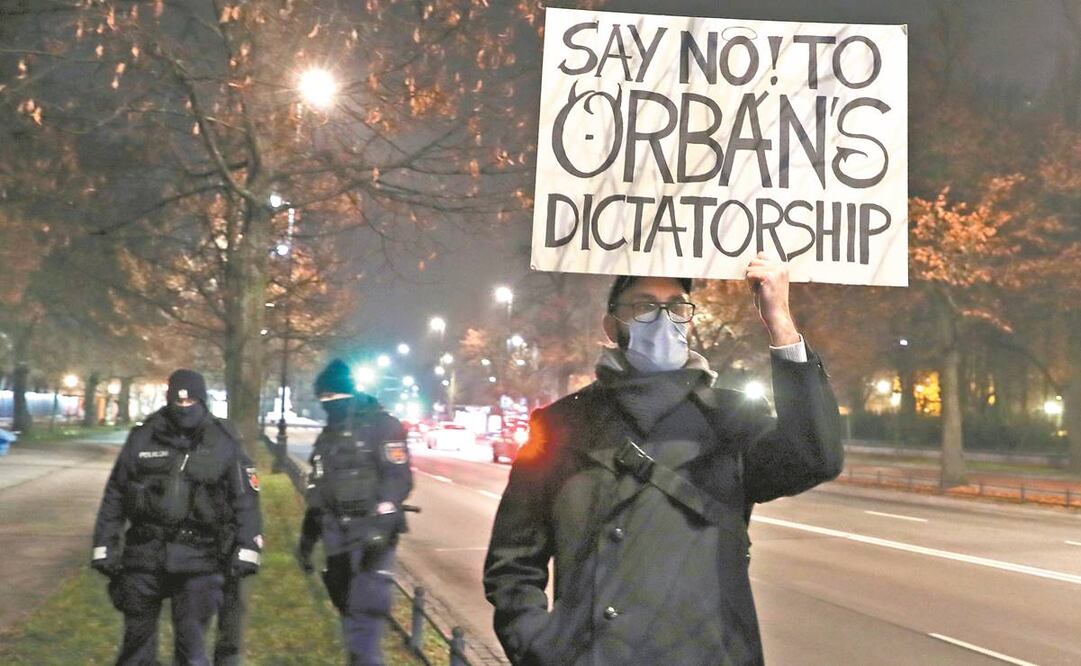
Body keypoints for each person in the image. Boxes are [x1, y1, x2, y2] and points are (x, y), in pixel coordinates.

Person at [483, 254, 843, 666]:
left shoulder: (731, 419)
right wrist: (538, 646)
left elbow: (816, 457)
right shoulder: (562, 425)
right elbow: (513, 559)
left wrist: (780, 321)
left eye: (675, 306)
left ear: (689, 320)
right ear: (611, 324)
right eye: (644, 305)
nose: (663, 318)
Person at [92, 369, 263, 666]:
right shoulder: (143, 436)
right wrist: (103, 544)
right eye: (178, 401)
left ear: (203, 400)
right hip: (144, 554)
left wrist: (248, 548)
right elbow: (116, 495)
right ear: (168, 399)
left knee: (191, 648)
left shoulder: (224, 441)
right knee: (136, 647)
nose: (184, 408)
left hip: (201, 557)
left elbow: (245, 499)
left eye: (191, 401)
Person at [296, 358, 413, 666]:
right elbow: (319, 493)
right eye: (323, 400)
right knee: (349, 614)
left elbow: (398, 476)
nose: (327, 405)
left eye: (331, 398)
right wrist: (307, 541)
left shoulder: (383, 426)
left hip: (373, 537)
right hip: (337, 539)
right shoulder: (328, 437)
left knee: (364, 618)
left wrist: (384, 517)